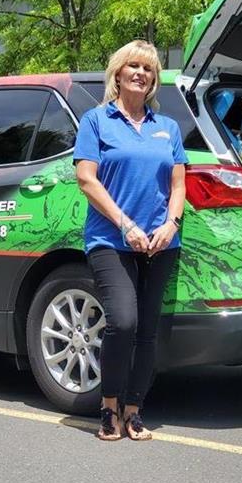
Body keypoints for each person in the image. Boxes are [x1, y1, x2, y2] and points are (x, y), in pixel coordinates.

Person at [73, 40, 187, 441]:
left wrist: (171, 224)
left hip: (160, 242)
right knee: (123, 321)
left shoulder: (167, 128)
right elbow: (87, 179)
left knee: (147, 330)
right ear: (117, 74)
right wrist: (126, 225)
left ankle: (134, 410)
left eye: (149, 69)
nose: (141, 73)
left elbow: (178, 183)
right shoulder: (96, 121)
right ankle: (108, 407)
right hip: (110, 238)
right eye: (133, 66)